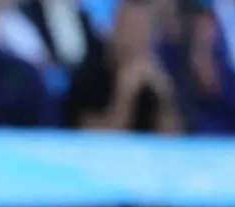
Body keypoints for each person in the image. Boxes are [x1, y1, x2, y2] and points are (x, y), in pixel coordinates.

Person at [65, 0, 183, 133]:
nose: (134, 39)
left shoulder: (155, 72)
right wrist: (125, 95)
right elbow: (93, 139)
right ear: (115, 29)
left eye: (141, 30)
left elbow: (173, 139)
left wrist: (164, 98)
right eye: (130, 29)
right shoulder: (90, 72)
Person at [162, 4, 235, 136]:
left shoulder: (226, 70)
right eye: (198, 26)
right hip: (189, 141)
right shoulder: (171, 62)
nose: (205, 33)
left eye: (210, 25)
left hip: (231, 141)